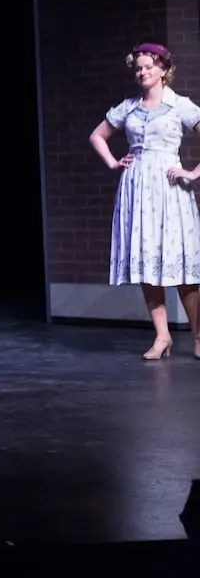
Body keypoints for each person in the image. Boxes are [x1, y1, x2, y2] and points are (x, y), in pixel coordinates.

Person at [89, 43, 200, 360]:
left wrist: (193, 173)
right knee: (148, 264)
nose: (143, 71)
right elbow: (97, 135)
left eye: (149, 66)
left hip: (169, 190)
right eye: (138, 67)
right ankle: (162, 336)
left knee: (182, 269)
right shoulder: (128, 108)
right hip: (137, 190)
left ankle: (198, 336)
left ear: (164, 69)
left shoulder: (179, 105)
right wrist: (113, 163)